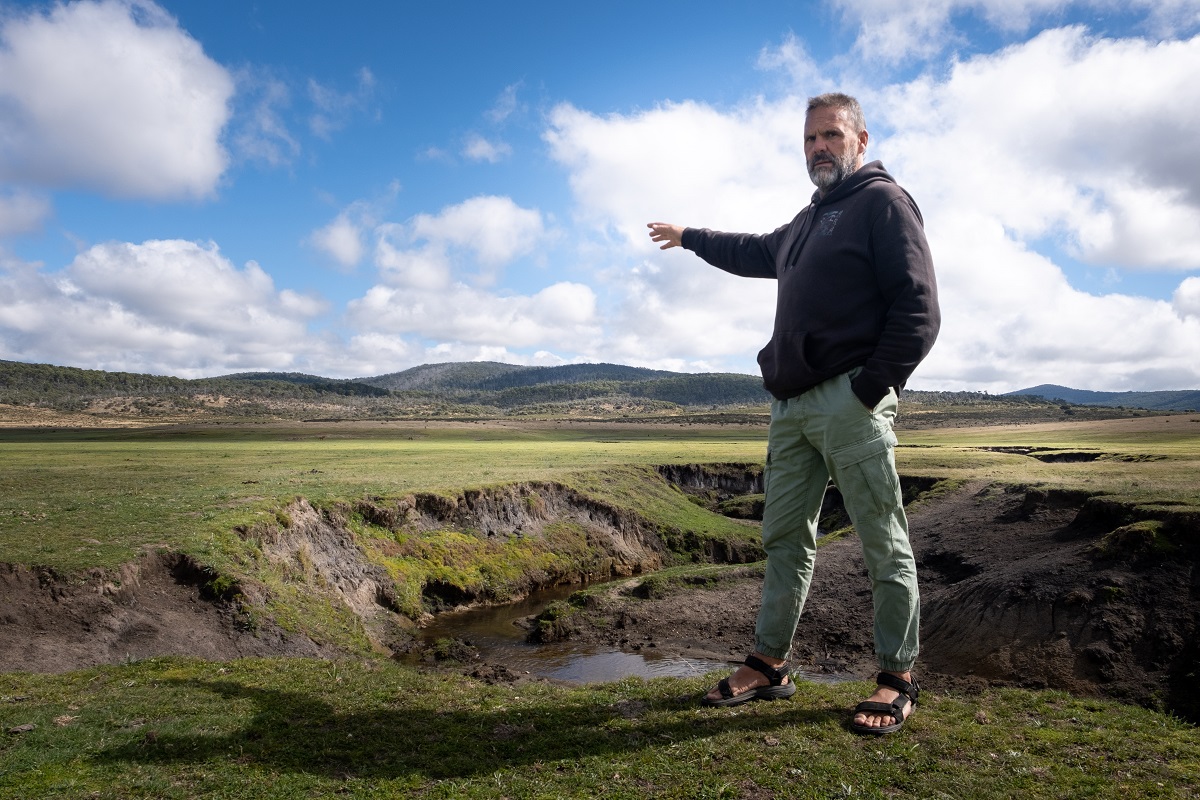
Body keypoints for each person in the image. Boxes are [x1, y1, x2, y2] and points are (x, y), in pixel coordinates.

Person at [646, 92, 939, 735]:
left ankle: (897, 679)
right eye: (809, 140)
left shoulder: (881, 204)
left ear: (861, 140)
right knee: (783, 538)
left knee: (881, 540)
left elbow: (918, 310)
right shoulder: (809, 221)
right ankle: (769, 662)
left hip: (848, 402)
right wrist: (690, 236)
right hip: (793, 407)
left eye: (831, 136)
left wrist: (866, 392)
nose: (818, 149)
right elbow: (754, 251)